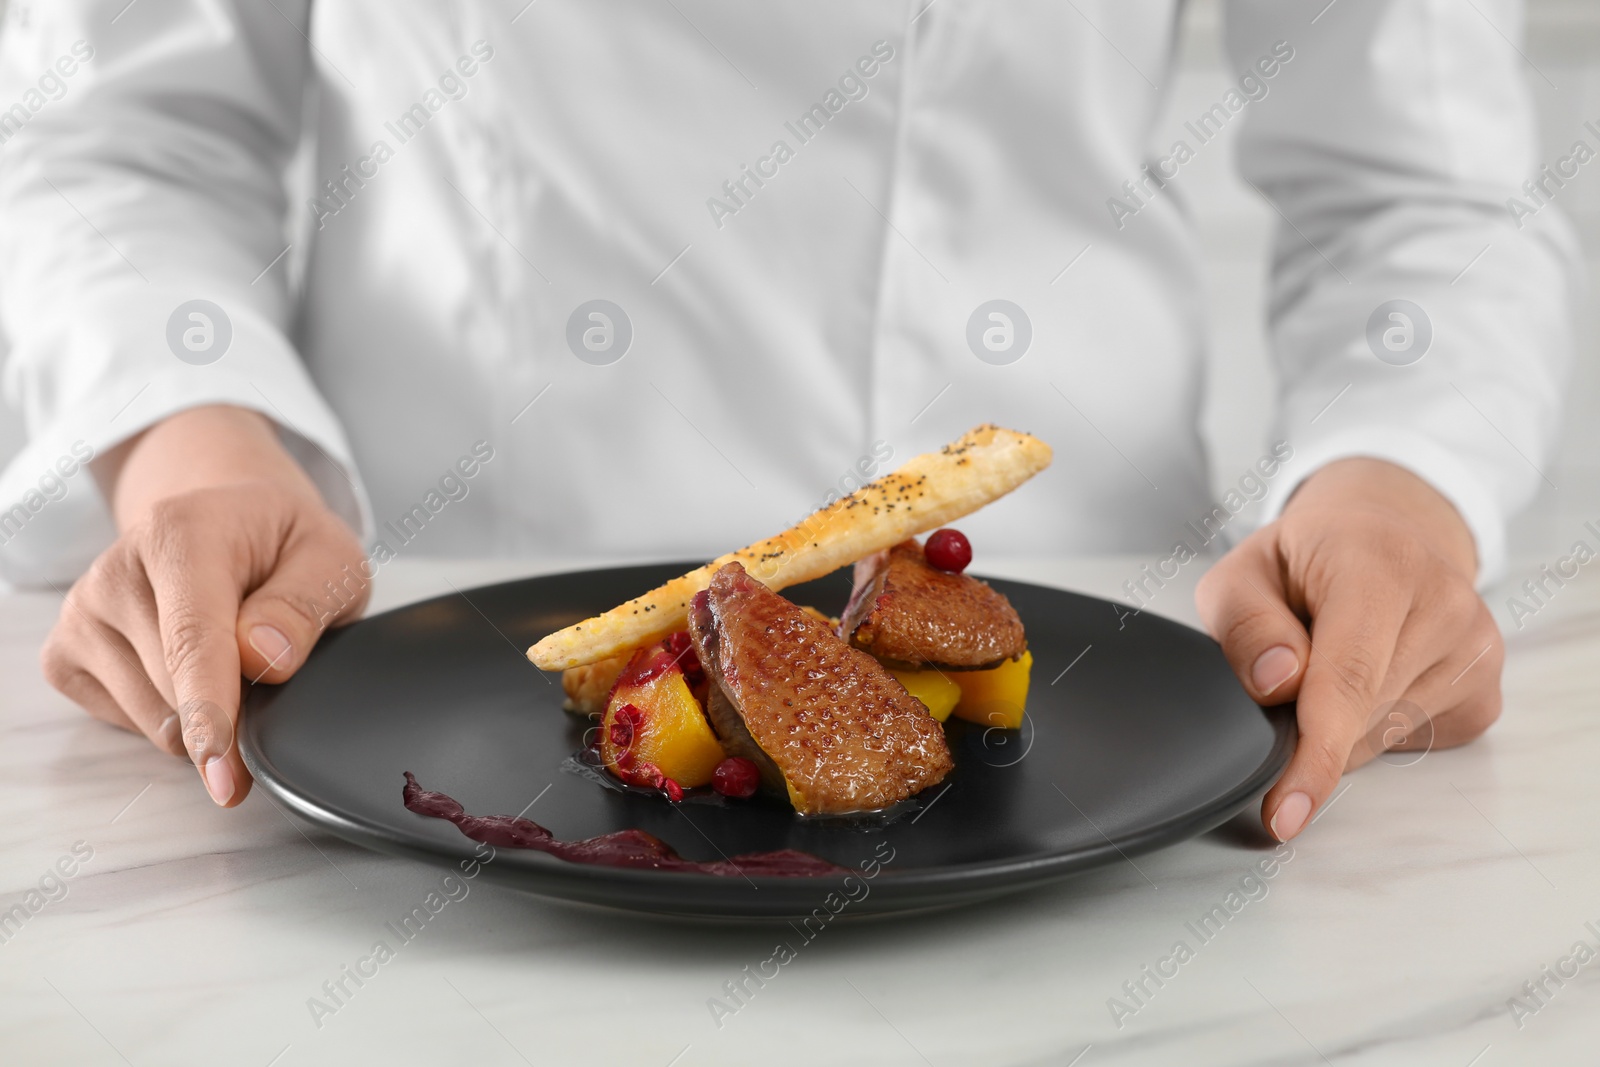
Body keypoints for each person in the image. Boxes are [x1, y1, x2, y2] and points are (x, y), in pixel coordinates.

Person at [0, 1, 1577, 840]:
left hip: (1105, 684)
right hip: (429, 658)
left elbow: (1417, 191)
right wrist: (195, 448)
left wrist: (1394, 487)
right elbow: (116, 136)